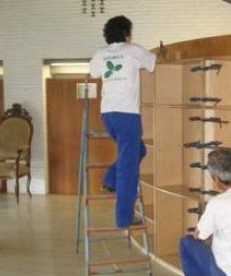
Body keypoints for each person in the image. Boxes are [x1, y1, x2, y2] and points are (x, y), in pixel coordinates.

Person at [89, 15, 157, 228]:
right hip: (127, 115)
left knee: (139, 151)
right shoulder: (133, 50)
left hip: (108, 115)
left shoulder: (100, 54)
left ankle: (110, 179)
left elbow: (94, 73)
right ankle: (123, 217)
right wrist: (160, 52)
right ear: (127, 33)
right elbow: (153, 63)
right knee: (129, 168)